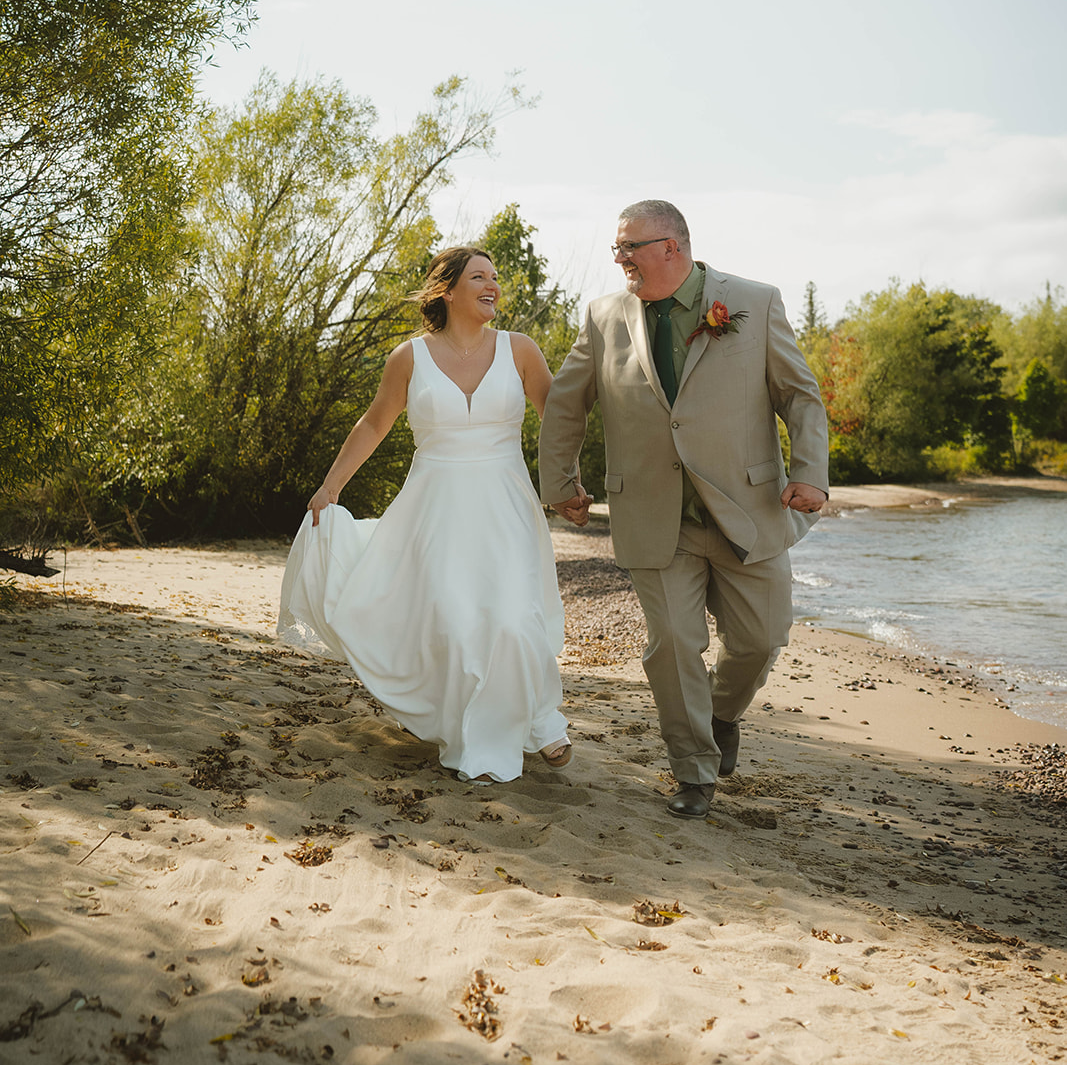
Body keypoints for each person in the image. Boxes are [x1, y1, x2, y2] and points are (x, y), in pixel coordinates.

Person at [538, 200, 828, 819]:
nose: (619, 260)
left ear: (672, 247)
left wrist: (811, 476)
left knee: (761, 640)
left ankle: (722, 715)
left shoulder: (756, 301)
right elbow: (566, 403)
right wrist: (561, 481)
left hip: (748, 508)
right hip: (652, 514)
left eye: (628, 249)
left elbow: (800, 396)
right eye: (617, 250)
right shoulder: (602, 317)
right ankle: (693, 772)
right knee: (671, 642)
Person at [278, 245, 572, 785]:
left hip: (505, 503)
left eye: (495, 277)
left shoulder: (521, 350)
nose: (493, 286)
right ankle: (475, 737)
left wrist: (570, 485)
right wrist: (330, 486)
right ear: (447, 290)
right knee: (459, 624)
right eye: (479, 277)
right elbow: (373, 425)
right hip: (433, 509)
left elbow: (560, 420)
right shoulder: (408, 358)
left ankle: (541, 718)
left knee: (514, 614)